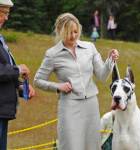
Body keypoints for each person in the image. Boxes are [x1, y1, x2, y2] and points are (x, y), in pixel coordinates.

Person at [34, 13, 119, 150]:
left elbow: (102, 76)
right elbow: (38, 80)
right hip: (69, 107)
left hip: (91, 105)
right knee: (71, 145)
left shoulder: (90, 47)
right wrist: (58, 86)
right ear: (60, 31)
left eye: (76, 31)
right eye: (69, 33)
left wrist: (110, 60)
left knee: (92, 145)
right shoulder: (52, 54)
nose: (73, 36)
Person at [0, 0, 35, 149]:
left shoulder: (1, 39)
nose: (6, 18)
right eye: (3, 13)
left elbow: (5, 68)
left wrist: (21, 86)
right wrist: (18, 70)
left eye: (8, 13)